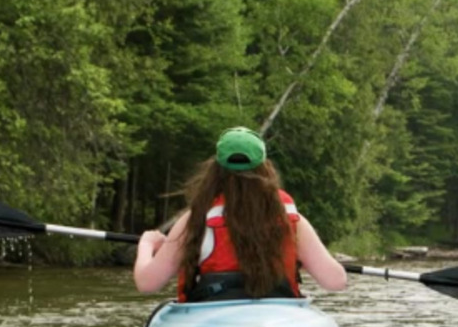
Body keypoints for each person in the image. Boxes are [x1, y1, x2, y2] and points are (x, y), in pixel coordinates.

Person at [134, 127, 349, 300]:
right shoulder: (291, 220)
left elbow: (147, 283)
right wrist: (303, 259)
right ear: (265, 168)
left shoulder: (195, 220)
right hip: (277, 314)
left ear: (215, 170)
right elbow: (336, 281)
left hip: (213, 317)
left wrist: (147, 244)